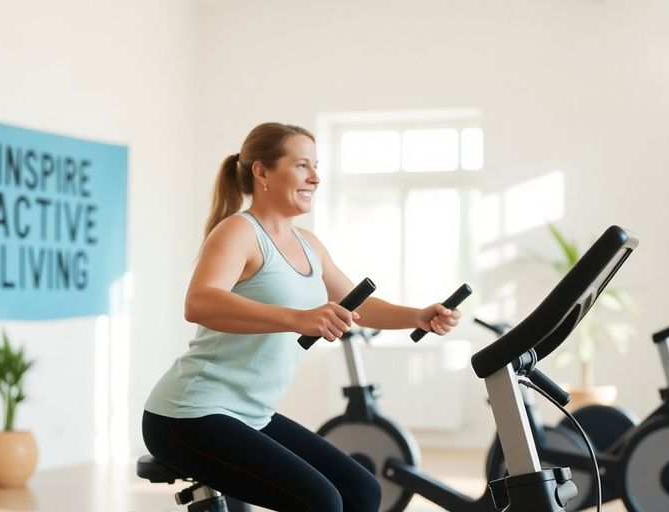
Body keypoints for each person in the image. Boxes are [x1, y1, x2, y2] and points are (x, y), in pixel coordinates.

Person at [142, 122, 462, 511]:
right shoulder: (239, 232)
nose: (315, 177)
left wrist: (417, 315)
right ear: (261, 171)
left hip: (251, 413)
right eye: (301, 166)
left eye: (316, 166)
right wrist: (298, 318)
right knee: (320, 501)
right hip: (189, 415)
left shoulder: (308, 244)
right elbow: (200, 303)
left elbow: (356, 305)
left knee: (363, 490)